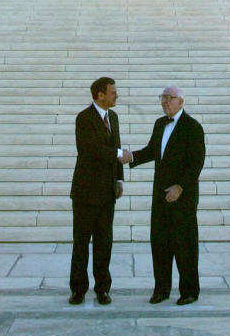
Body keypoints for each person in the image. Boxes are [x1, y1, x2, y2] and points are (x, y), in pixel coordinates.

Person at [130, 84, 205, 305]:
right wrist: (129, 157)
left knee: (185, 244)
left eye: (169, 98)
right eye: (162, 98)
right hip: (160, 195)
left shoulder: (193, 127)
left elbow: (196, 163)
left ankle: (189, 291)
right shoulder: (160, 124)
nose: (164, 102)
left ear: (180, 101)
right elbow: (152, 151)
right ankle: (161, 289)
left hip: (183, 197)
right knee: (160, 243)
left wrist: (180, 187)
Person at [69, 76, 132, 305]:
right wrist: (117, 154)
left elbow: (116, 143)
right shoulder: (84, 118)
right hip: (86, 192)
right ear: (100, 95)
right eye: (113, 92)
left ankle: (102, 288)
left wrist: (119, 179)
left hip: (107, 191)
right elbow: (90, 149)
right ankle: (78, 289)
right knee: (81, 242)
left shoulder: (113, 117)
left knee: (105, 242)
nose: (116, 96)